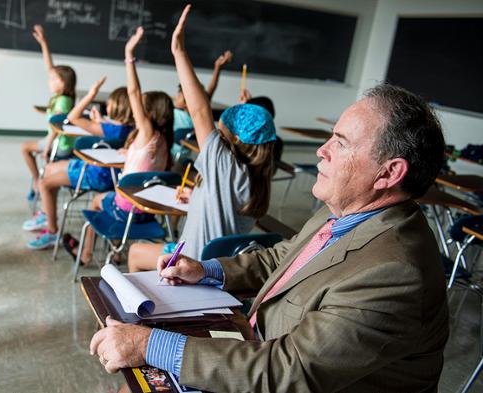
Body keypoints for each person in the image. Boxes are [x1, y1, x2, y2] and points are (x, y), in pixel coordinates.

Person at [88, 6, 449, 392]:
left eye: (340, 144)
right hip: (259, 345)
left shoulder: (395, 273)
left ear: (389, 173)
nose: (320, 151)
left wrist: (150, 345)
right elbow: (282, 257)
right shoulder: (346, 214)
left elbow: (289, 371)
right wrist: (207, 269)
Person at [127, 21, 276, 271]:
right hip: (224, 267)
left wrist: (179, 52)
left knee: (134, 253)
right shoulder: (257, 177)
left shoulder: (225, 167)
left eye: (223, 126)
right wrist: (195, 196)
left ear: (235, 140)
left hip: (192, 262)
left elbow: (199, 110)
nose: (217, 125)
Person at [67, 26, 174, 265]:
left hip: (129, 211)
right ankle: (115, 251)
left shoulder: (147, 132)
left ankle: (87, 254)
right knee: (107, 197)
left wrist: (129, 54)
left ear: (149, 113)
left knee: (97, 201)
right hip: (148, 213)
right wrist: (130, 154)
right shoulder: (164, 140)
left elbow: (133, 92)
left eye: (142, 107)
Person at [23, 78, 135, 249]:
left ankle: (52, 230)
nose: (107, 107)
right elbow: (112, 128)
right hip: (108, 175)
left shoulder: (108, 129)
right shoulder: (127, 129)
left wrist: (91, 94)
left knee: (45, 181)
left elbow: (72, 117)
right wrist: (100, 121)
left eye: (110, 104)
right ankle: (48, 214)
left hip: (96, 175)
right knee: (48, 170)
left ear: (118, 107)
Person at [20, 24, 76, 200]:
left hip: (59, 145)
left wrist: (47, 149)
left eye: (54, 79)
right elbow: (49, 67)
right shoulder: (63, 99)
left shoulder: (63, 101)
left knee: (25, 148)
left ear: (64, 83)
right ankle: (38, 181)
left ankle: (37, 180)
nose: (49, 80)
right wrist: (43, 43)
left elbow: (56, 127)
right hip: (60, 142)